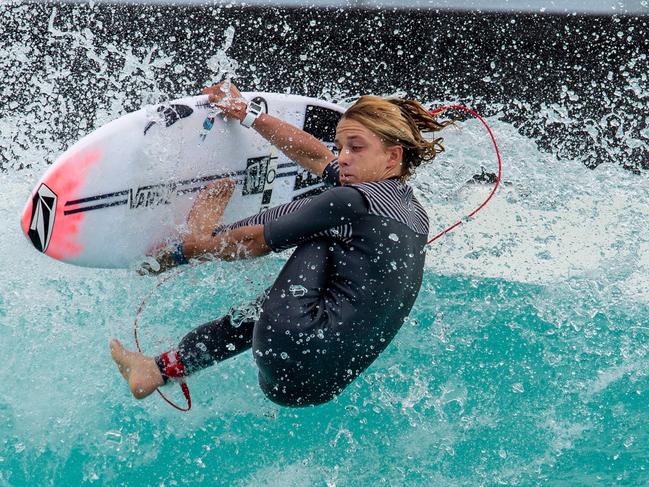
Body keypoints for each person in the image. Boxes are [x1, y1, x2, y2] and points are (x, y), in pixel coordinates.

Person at [110, 81, 452, 407]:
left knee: (323, 224)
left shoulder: (353, 199)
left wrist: (180, 254)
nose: (343, 156)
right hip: (318, 385)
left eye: (356, 147)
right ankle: (160, 369)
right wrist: (248, 113)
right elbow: (318, 159)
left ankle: (203, 235)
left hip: (289, 342)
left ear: (392, 157)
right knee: (326, 241)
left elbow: (257, 241)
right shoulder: (415, 216)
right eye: (341, 146)